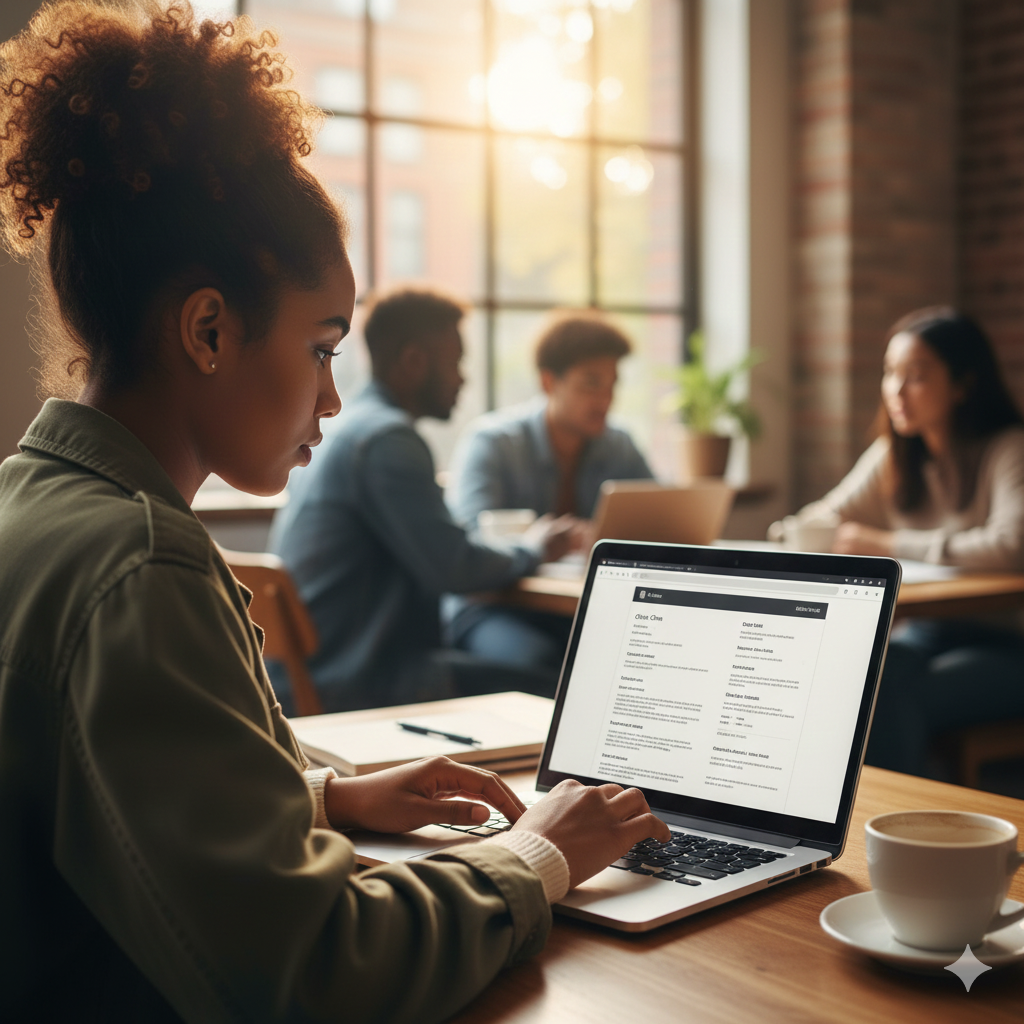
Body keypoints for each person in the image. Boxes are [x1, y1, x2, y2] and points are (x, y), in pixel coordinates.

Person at [0, 5, 669, 1022]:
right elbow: (313, 970)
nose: (331, 399)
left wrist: (322, 796)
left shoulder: (31, 500)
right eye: (320, 347)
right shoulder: (141, 566)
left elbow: (91, 796)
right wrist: (538, 852)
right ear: (208, 329)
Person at [268, 288, 577, 711]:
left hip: (311, 673)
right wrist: (533, 550)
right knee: (560, 689)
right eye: (455, 363)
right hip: (360, 681)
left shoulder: (346, 428)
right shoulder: (387, 440)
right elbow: (455, 566)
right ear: (413, 361)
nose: (463, 379)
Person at [782, 307, 1024, 777]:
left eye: (916, 376)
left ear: (962, 385)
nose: (896, 390)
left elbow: (1011, 545)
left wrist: (889, 542)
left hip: (1006, 643)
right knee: (853, 668)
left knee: (890, 693)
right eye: (890, 373)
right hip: (925, 634)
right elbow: (825, 515)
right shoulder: (893, 455)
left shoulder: (1007, 448)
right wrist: (791, 532)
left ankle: (902, 813)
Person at [445, 313, 653, 671]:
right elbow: (471, 539)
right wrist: (548, 541)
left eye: (612, 385)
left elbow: (661, 520)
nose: (606, 399)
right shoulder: (492, 442)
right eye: (591, 384)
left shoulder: (619, 445)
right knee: (540, 659)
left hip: (579, 608)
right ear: (548, 381)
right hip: (491, 607)